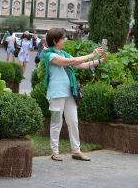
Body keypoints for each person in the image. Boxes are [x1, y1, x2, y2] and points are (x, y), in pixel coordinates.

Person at [43, 28, 108, 162]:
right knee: (56, 122)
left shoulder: (64, 54)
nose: (65, 41)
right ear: (55, 40)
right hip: (56, 95)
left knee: (73, 122)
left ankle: (76, 152)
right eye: (63, 38)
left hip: (69, 94)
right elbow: (72, 63)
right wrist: (92, 54)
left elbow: (83, 65)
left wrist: (101, 60)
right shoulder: (50, 55)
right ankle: (55, 152)